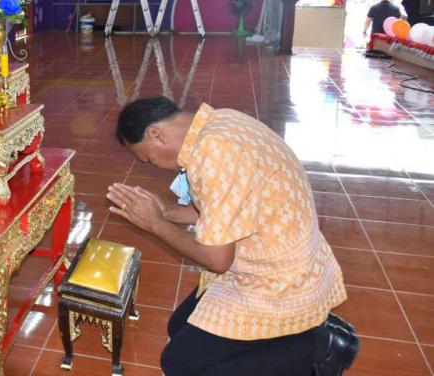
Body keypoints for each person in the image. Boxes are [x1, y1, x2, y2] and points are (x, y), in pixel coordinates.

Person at [109, 97, 358, 376]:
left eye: (148, 158)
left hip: (278, 280)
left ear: (156, 134)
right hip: (283, 254)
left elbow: (217, 260)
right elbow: (221, 207)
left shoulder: (211, 155)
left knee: (178, 364)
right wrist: (165, 212)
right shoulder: (220, 121)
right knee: (178, 326)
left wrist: (155, 224)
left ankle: (317, 347)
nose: (154, 165)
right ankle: (302, 336)